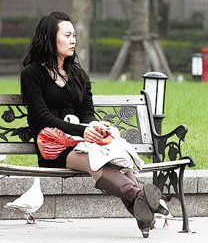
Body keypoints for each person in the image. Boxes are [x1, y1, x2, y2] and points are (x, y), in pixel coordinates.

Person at [20, 12, 165, 238]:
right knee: (95, 158)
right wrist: (83, 131)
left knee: (116, 155)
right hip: (53, 145)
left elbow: (87, 113)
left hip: (80, 139)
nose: (73, 40)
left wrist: (95, 128)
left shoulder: (78, 75)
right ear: (50, 38)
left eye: (74, 36)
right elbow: (41, 117)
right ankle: (142, 197)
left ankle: (143, 209)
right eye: (67, 35)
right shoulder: (32, 74)